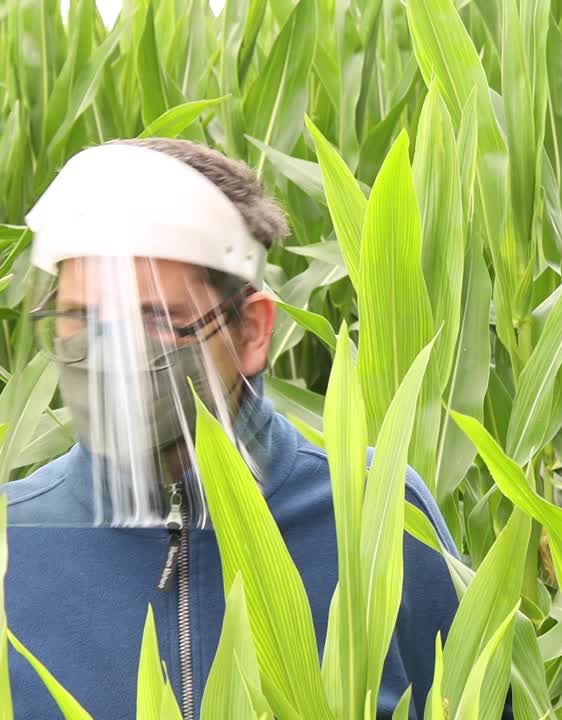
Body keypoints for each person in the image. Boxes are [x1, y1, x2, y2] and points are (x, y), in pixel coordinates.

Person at [2, 139, 460, 719]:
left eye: (157, 319)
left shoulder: (374, 513)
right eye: (81, 319)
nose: (110, 356)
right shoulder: (12, 545)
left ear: (252, 332)